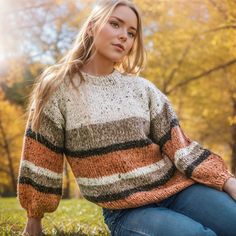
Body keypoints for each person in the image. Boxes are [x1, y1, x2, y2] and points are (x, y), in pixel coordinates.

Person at [17, 0, 236, 235]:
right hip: (127, 212)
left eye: (131, 33)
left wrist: (226, 180)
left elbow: (180, 147)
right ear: (92, 26)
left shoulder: (142, 89)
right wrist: (34, 219)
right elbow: (41, 156)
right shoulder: (57, 87)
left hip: (179, 190)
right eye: (115, 24)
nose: (124, 36)